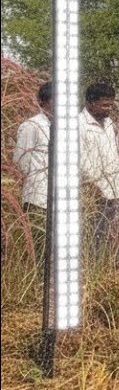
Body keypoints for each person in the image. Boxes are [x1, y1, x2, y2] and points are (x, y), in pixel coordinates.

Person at [81, 83, 119, 263]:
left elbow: (114, 155)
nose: (108, 109)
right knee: (94, 235)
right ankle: (94, 271)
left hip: (112, 190)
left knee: (111, 234)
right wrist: (94, 186)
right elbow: (81, 162)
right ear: (90, 103)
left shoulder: (108, 124)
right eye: (104, 105)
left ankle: (108, 270)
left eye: (110, 105)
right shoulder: (78, 125)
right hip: (92, 192)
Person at [14, 82, 53, 267]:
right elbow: (22, 161)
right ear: (43, 102)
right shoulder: (32, 126)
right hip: (39, 198)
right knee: (40, 249)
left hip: (60, 199)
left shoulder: (66, 127)